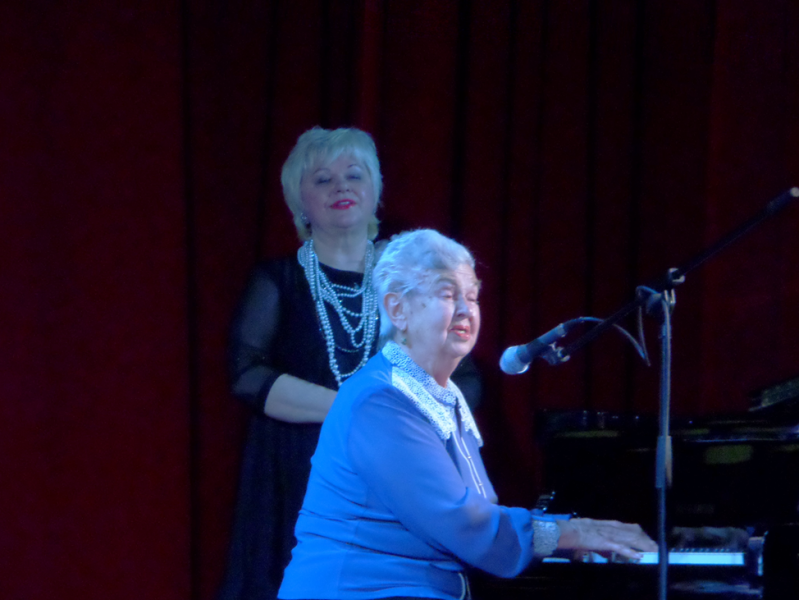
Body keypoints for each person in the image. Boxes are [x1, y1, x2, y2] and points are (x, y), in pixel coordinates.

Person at [278, 229, 657, 600]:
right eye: (447, 294)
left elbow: (476, 517)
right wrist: (571, 533)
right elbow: (463, 522)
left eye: (472, 296)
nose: (466, 310)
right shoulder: (381, 401)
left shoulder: (441, 395)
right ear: (398, 309)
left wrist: (564, 537)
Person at [218, 130, 480, 600]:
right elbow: (246, 373)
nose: (341, 186)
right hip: (298, 473)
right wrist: (352, 408)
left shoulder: (413, 282)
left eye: (354, 175)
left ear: (375, 190)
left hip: (396, 474)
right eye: (323, 179)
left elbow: (463, 376)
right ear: (300, 201)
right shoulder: (278, 280)